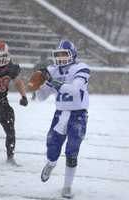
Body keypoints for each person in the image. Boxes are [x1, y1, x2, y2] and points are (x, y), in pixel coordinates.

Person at [35, 40, 90, 198]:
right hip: (60, 114)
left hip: (78, 114)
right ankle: (51, 163)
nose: (61, 58)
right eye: (58, 55)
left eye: (64, 54)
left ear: (73, 55)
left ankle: (67, 186)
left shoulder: (81, 68)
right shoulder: (52, 70)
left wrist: (52, 81)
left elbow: (74, 90)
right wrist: (38, 84)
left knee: (72, 151)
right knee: (52, 146)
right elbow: (41, 97)